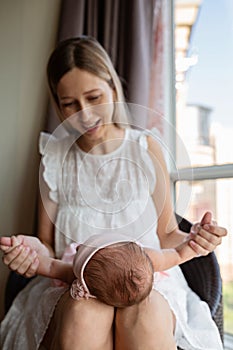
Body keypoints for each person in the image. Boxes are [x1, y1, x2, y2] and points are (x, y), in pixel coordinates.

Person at [0, 36, 227, 350]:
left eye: (94, 97)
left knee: (145, 314)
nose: (85, 115)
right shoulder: (55, 157)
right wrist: (30, 252)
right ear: (57, 103)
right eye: (70, 104)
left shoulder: (146, 148)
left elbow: (167, 234)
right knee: (84, 316)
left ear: (112, 86)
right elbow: (48, 244)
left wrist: (195, 240)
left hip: (148, 281)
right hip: (71, 283)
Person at [1, 228, 202, 309]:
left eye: (80, 250)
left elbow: (51, 265)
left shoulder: (75, 272)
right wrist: (195, 244)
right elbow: (178, 255)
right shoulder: (149, 260)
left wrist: (32, 257)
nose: (78, 245)